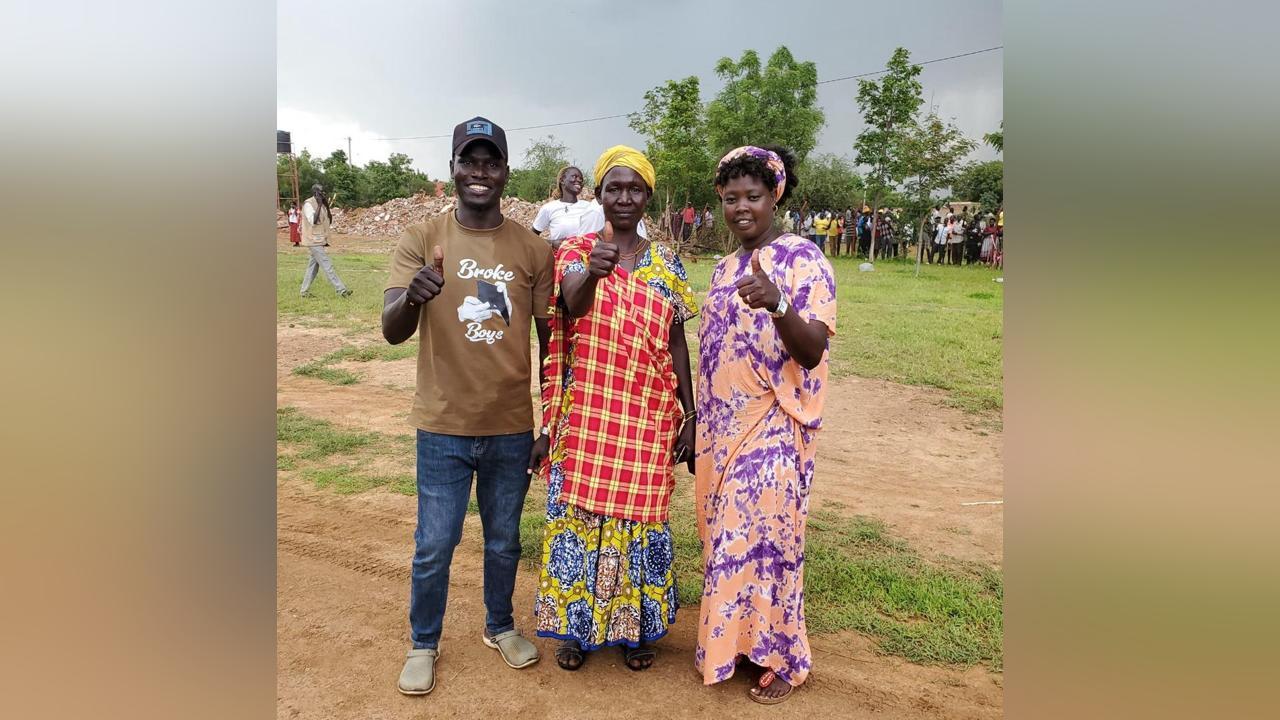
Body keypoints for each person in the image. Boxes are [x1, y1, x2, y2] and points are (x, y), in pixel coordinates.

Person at [382, 116, 554, 696]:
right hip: (442, 425)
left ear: (505, 171)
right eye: (468, 160)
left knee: (505, 539)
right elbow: (391, 330)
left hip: (510, 426)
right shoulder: (420, 238)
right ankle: (423, 643)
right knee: (435, 543)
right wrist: (412, 296)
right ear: (452, 168)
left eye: (490, 161)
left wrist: (551, 421)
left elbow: (552, 342)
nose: (479, 172)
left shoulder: (533, 248)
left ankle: (499, 626)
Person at [533, 146, 696, 673]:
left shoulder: (666, 262)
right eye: (613, 188)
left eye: (634, 189)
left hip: (645, 414)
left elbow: (675, 342)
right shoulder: (576, 250)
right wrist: (594, 273)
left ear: (647, 197)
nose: (623, 198)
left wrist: (688, 415)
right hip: (588, 413)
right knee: (580, 519)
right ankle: (576, 630)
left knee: (639, 521)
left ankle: (636, 630)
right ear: (599, 195)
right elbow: (568, 308)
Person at [696, 145, 836, 705]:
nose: (741, 208)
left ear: (774, 196)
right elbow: (712, 350)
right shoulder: (724, 267)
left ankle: (786, 658)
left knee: (766, 539)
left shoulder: (805, 260)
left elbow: (811, 350)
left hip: (775, 422)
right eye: (731, 199)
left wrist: (779, 304)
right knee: (729, 539)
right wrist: (696, 422)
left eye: (752, 196)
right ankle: (743, 646)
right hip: (719, 428)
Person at [299, 184, 351, 298]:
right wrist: (319, 204)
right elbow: (314, 220)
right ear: (315, 192)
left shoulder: (321, 205)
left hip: (319, 239)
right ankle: (341, 289)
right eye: (321, 192)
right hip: (312, 240)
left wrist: (325, 205)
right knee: (327, 265)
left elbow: (329, 219)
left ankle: (304, 291)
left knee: (313, 267)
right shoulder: (309, 204)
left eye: (324, 192)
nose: (323, 194)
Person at [532, 166, 594, 249]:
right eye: (574, 177)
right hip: (561, 259)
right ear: (562, 180)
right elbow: (531, 237)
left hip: (588, 258)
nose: (579, 180)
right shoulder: (549, 208)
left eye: (581, 179)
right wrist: (552, 243)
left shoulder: (589, 207)